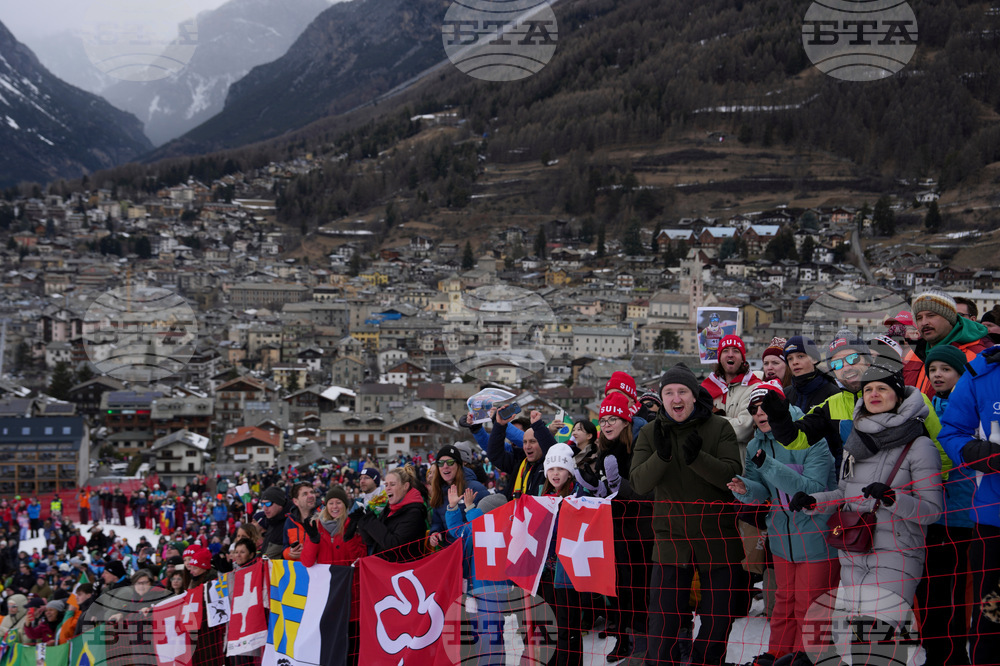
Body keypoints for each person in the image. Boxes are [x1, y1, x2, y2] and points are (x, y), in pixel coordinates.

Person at [788, 366, 942, 665]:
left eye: (882, 389)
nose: (874, 394)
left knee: (877, 641)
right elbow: (845, 495)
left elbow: (932, 510)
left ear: (898, 396)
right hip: (854, 551)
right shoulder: (856, 443)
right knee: (861, 645)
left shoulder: (920, 445)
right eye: (869, 389)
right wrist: (813, 501)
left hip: (896, 553)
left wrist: (892, 499)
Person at [631, 364, 746, 666]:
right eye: (668, 392)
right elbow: (640, 483)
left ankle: (704, 662)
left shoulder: (719, 427)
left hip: (717, 537)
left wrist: (698, 459)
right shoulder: (648, 432)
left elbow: (732, 476)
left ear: (694, 396)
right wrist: (662, 456)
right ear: (662, 398)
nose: (675, 397)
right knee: (664, 622)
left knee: (718, 620)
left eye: (682, 391)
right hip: (671, 540)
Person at [728, 381, 839, 666]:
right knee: (783, 604)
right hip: (780, 536)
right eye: (753, 409)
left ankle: (810, 657)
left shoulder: (810, 436)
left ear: (780, 406)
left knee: (810, 604)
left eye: (765, 406)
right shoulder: (756, 443)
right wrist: (745, 489)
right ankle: (777, 653)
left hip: (816, 537)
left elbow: (811, 488)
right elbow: (761, 491)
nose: (759, 413)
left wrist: (767, 466)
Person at [574, 393, 652, 663]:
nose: (606, 424)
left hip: (640, 529)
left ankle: (641, 641)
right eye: (603, 419)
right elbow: (603, 490)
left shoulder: (639, 446)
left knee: (639, 586)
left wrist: (621, 486)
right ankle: (622, 638)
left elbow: (646, 491)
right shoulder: (603, 451)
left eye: (613, 419)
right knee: (618, 586)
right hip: (614, 528)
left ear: (625, 420)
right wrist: (593, 489)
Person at [938, 342, 1000, 664]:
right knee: (991, 620)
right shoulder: (982, 371)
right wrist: (983, 455)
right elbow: (951, 432)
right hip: (994, 519)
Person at [914, 344, 975, 665]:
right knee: (930, 590)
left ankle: (956, 655)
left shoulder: (970, 409)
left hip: (963, 514)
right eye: (933, 369)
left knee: (956, 593)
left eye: (945, 369)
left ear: (961, 374)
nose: (937, 375)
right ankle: (935, 652)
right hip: (929, 513)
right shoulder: (925, 407)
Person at [446, 490, 511, 666]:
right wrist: (452, 509)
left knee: (491, 635)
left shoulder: (503, 531)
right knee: (476, 634)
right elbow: (458, 531)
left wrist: (470, 509)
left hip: (493, 590)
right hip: (474, 591)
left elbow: (482, 527)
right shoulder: (473, 528)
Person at [540, 443, 584, 666]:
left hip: (568, 575)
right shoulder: (542, 495)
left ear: (570, 471)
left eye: (561, 468)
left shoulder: (578, 494)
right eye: (552, 469)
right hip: (547, 572)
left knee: (568, 627)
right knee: (550, 626)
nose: (556, 473)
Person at [902, 289, 992, 396]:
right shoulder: (913, 353)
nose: (924, 322)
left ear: (949, 318)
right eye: (919, 318)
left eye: (931, 315)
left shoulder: (977, 356)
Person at [353, 465, 429, 562]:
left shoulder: (414, 513)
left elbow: (393, 545)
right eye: (386, 485)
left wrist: (370, 521)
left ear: (405, 486)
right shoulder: (389, 508)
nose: (387, 488)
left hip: (402, 571)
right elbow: (372, 541)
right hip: (385, 568)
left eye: (392, 484)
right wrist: (362, 520)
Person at [701, 334, 762, 456]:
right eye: (725, 350)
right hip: (709, 461)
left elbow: (743, 430)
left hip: (739, 464)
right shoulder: (706, 388)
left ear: (742, 358)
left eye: (736, 351)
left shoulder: (754, 387)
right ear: (719, 357)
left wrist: (708, 420)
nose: (730, 354)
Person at [487, 407, 557, 498]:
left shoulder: (550, 466)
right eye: (525, 442)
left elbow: (553, 451)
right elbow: (495, 455)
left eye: (532, 441)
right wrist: (499, 425)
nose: (527, 446)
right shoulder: (519, 461)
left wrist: (538, 426)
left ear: (542, 443)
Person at [428, 445, 488, 549]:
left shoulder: (475, 488)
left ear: (458, 465)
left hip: (472, 551)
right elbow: (437, 522)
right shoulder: (439, 491)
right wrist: (435, 532)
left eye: (450, 462)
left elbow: (488, 522)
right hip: (451, 552)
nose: (445, 466)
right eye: (441, 463)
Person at [782, 336, 840, 413]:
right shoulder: (785, 393)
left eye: (800, 356)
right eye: (790, 359)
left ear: (814, 359)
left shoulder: (832, 393)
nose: (794, 362)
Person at [282, 482, 317, 560]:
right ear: (295, 501)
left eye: (312, 492)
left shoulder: (322, 517)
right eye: (305, 494)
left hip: (317, 569)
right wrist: (290, 552)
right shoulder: (290, 521)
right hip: (297, 570)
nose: (311, 496)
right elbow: (284, 548)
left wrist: (306, 553)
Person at [257, 486, 289, 559]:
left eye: (268, 504)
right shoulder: (272, 520)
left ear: (280, 504)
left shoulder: (289, 522)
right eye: (262, 504)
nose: (264, 508)